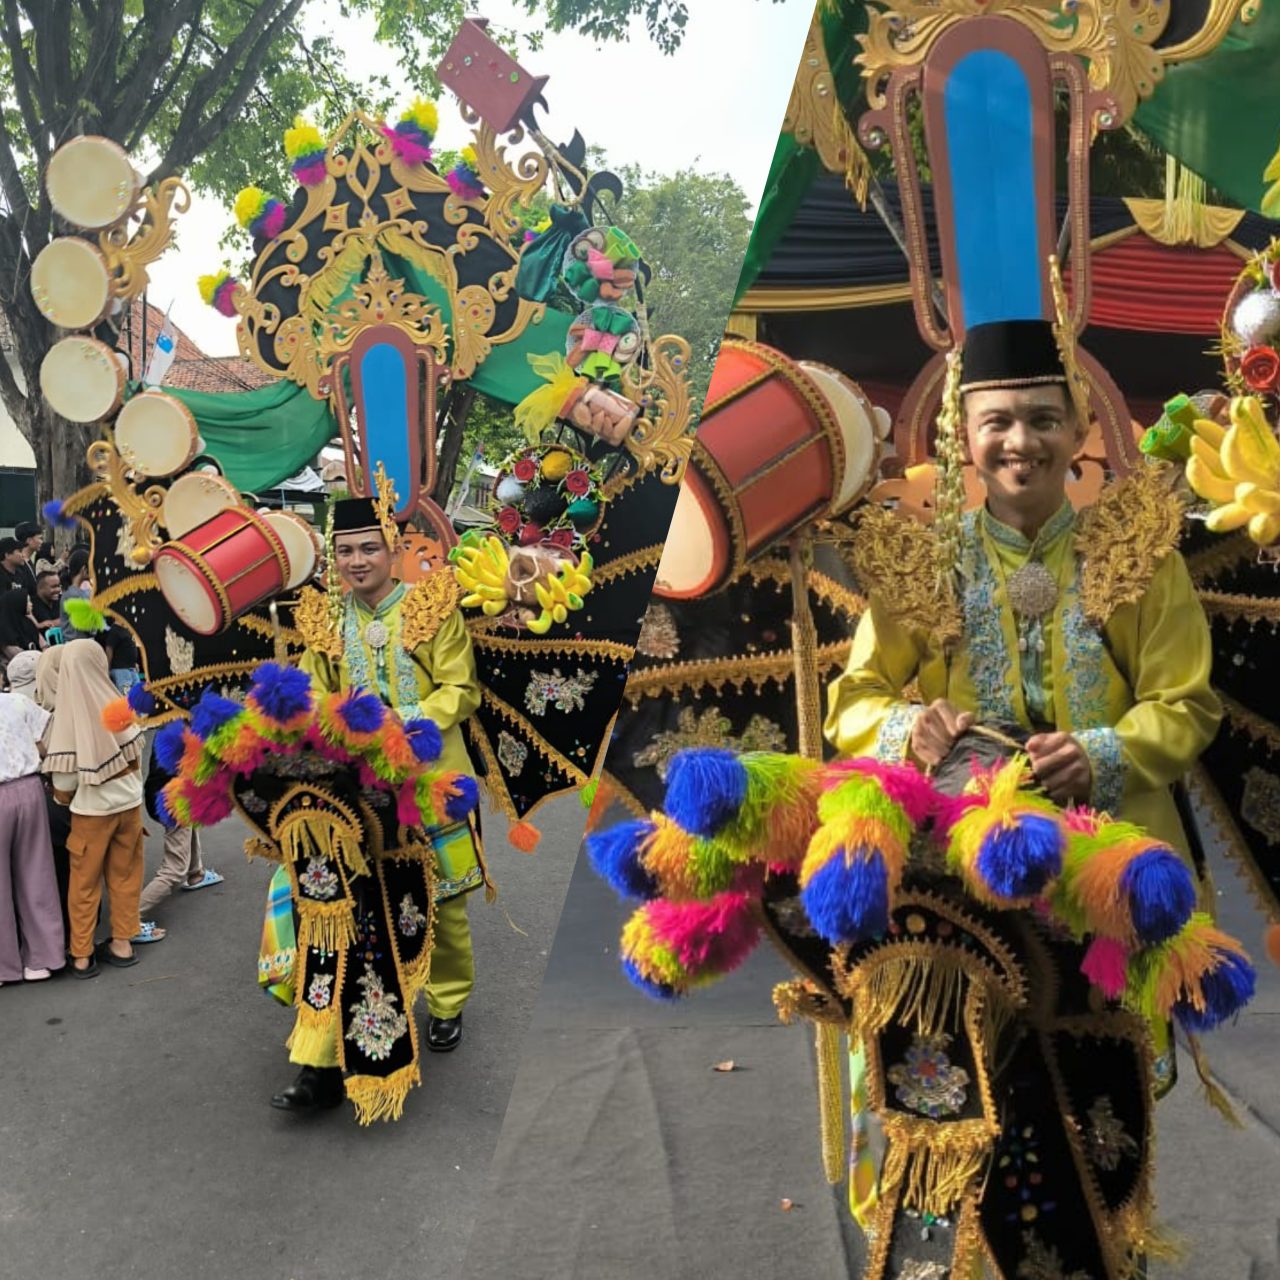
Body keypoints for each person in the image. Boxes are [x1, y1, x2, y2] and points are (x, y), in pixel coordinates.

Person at [274, 494, 483, 1112]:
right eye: (345, 551)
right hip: (352, 793)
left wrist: (403, 719)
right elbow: (313, 697)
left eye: (369, 548)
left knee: (442, 904)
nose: (358, 560)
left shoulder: (430, 609)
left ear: (393, 550)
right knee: (335, 917)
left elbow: (461, 689)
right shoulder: (324, 623)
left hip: (430, 781)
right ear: (333, 557)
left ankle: (446, 1003)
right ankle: (320, 1057)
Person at [40, 639, 148, 979]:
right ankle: (122, 943)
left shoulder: (68, 716)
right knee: (126, 876)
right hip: (130, 806)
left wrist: (63, 799)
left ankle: (83, 955)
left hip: (90, 814)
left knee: (84, 885)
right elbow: (137, 754)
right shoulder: (120, 705)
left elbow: (64, 783)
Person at [0, 675, 63, 986]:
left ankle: (4, 966)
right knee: (36, 872)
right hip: (28, 788)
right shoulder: (18, 702)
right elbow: (43, 742)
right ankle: (42, 959)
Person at [0, 589, 44, 674]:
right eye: (28, 601)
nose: (31, 604)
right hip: (17, 671)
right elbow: (18, 656)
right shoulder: (4, 631)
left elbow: (43, 644)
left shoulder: (27, 622)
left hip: (36, 663)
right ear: (17, 604)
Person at [12, 522, 41, 599]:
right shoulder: (19, 564)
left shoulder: (29, 562)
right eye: (40, 538)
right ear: (29, 540)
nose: (42, 542)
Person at [30, 570, 62, 640]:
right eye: (54, 587)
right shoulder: (31, 605)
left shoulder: (61, 600)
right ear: (40, 588)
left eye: (59, 586)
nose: (58, 590)